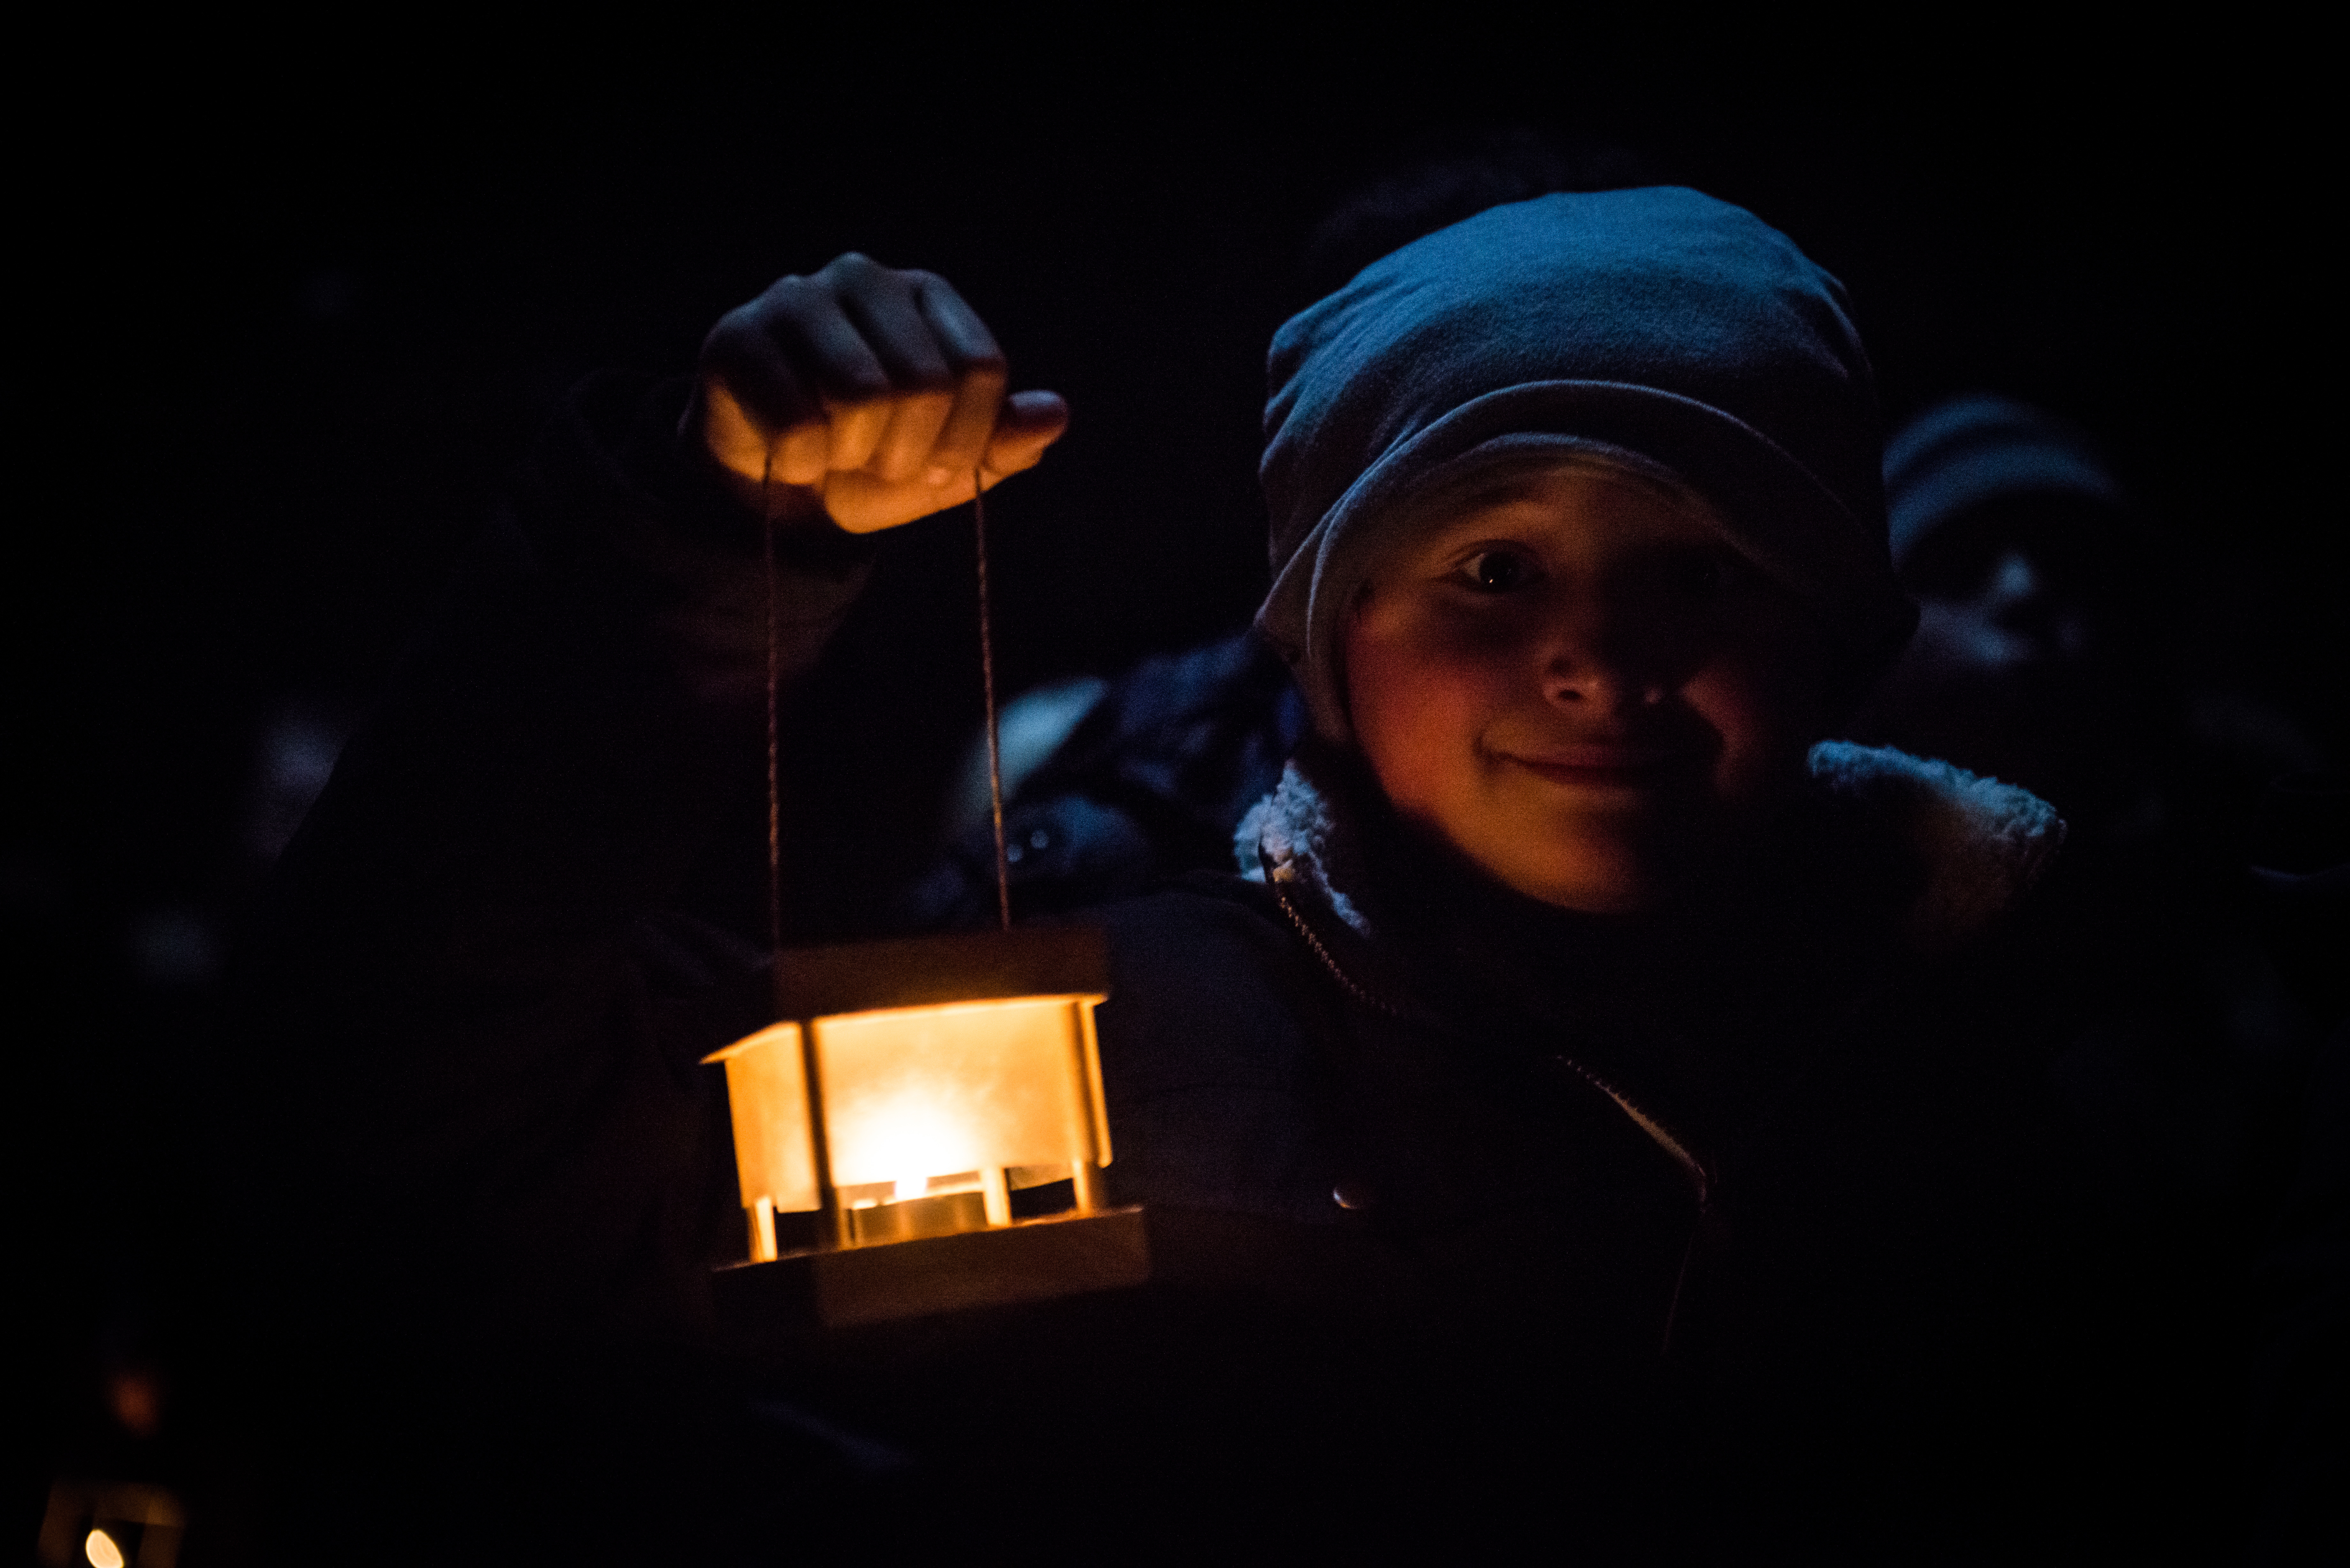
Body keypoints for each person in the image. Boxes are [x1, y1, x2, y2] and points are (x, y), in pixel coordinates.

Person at [221, 196, 2226, 1558]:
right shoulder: (1118, 1075)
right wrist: (682, 539)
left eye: (1706, 567)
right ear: (1324, 635)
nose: (1602, 660)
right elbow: (424, 1130)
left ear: (1842, 628)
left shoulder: (2095, 1061)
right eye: (1494, 564)